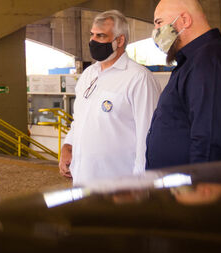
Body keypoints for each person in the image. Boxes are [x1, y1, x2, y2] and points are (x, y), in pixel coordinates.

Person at [145, 0, 221, 168]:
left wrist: (202, 189)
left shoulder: (211, 61)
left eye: (159, 22)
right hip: (182, 187)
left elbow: (209, 138)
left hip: (199, 190)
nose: (156, 32)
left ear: (184, 20)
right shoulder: (195, 60)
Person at [59, 10, 161, 185]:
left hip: (120, 185)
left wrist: (139, 184)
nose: (93, 41)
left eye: (101, 36)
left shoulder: (138, 78)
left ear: (119, 40)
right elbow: (80, 120)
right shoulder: (89, 74)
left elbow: (148, 136)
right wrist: (68, 145)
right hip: (83, 181)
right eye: (92, 35)